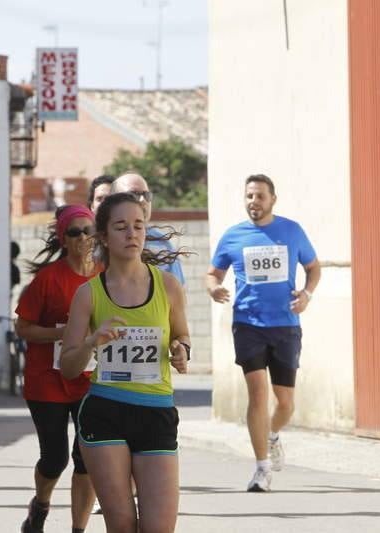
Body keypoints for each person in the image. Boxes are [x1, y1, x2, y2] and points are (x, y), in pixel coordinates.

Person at [60, 192, 191, 533]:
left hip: (156, 410)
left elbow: (182, 336)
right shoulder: (89, 294)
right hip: (105, 411)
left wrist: (181, 350)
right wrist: (92, 341)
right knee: (121, 525)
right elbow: (69, 366)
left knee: (159, 528)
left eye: (138, 226)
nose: (132, 234)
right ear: (103, 235)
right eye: (121, 227)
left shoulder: (169, 286)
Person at [206, 174, 321, 492]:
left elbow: (314, 267)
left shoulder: (291, 230)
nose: (253, 202)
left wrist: (307, 294)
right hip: (248, 324)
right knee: (257, 393)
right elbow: (212, 273)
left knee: (285, 403)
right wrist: (214, 288)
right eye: (248, 196)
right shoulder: (233, 236)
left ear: (273, 199)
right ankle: (261, 469)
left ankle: (272, 436)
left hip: (285, 325)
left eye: (259, 196)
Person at [14, 205, 99, 533]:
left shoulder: (105, 275)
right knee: (55, 458)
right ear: (63, 239)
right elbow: (23, 328)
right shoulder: (49, 279)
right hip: (46, 380)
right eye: (74, 232)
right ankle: (41, 505)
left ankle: (78, 528)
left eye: (88, 230)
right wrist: (65, 333)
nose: (82, 238)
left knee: (87, 456)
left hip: (89, 379)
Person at [111, 173, 185, 285]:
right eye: (133, 194)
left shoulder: (162, 243)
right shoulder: (102, 241)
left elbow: (179, 291)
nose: (142, 200)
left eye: (146, 195)